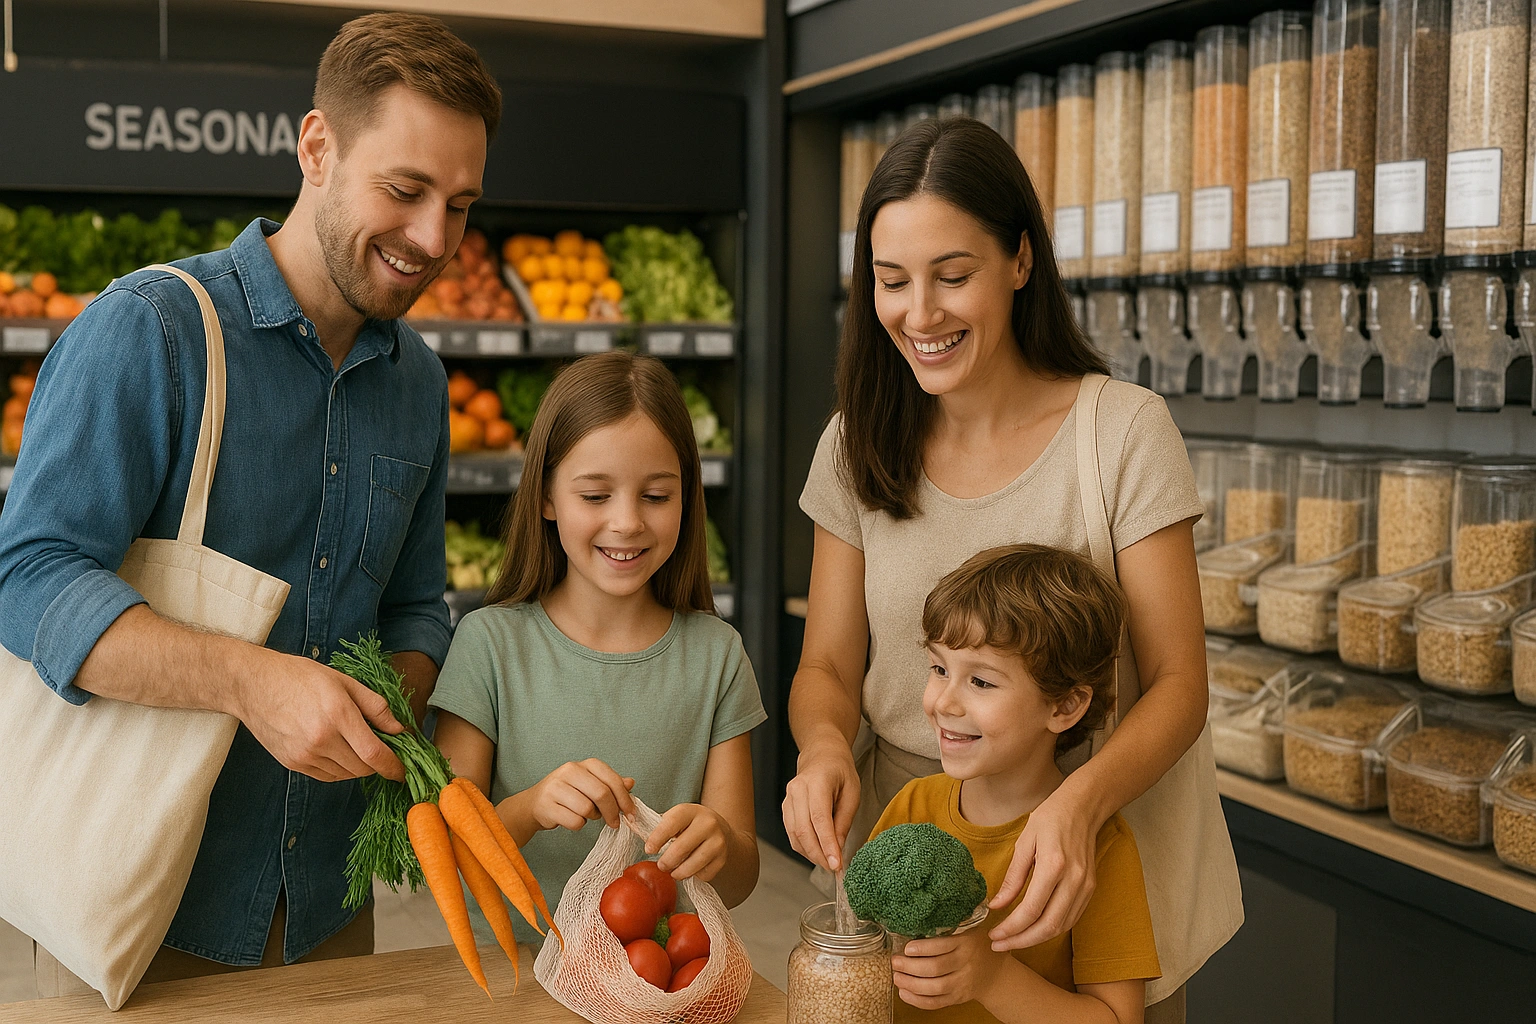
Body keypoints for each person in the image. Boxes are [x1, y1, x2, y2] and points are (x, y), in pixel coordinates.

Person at [0, 13, 500, 988]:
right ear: (317, 146)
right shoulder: (153, 332)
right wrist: (249, 680)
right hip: (140, 898)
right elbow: (27, 578)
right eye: (405, 190)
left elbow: (412, 604)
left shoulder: (420, 385)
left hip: (328, 899)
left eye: (463, 204)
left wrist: (392, 696)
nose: (435, 238)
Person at [783, 117, 1240, 1022]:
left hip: (1086, 860)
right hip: (912, 875)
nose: (921, 314)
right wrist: (825, 747)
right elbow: (828, 666)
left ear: (1021, 261)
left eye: (954, 276)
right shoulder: (857, 443)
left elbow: (1179, 685)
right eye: (890, 281)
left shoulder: (1122, 433)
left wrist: (1074, 808)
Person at [430, 351, 766, 940]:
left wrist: (719, 848)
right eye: (594, 496)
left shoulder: (718, 656)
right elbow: (451, 855)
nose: (627, 522)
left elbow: (739, 879)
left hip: (657, 983)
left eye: (657, 496)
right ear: (546, 498)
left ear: (687, 500)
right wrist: (530, 809)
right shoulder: (488, 645)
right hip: (518, 982)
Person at [874, 544, 1159, 1024]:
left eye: (981, 683)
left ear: (1065, 707)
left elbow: (1118, 1019)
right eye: (940, 669)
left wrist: (991, 978)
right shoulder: (912, 806)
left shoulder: (1100, 848)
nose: (944, 702)